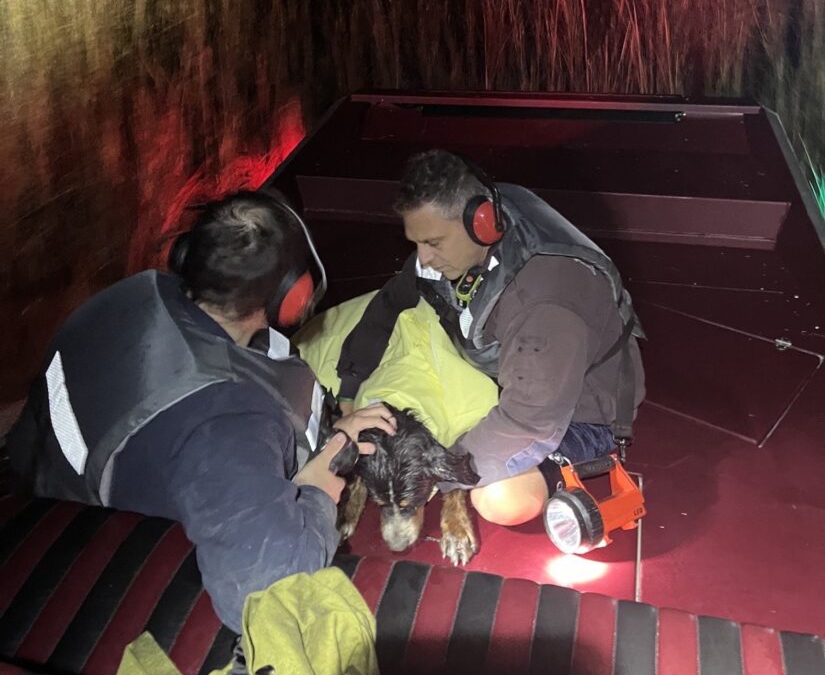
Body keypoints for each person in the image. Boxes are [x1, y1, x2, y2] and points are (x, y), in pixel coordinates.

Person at [7, 190, 395, 633]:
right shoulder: (227, 419)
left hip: (39, 483)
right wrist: (317, 488)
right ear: (293, 298)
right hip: (102, 555)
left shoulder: (133, 294)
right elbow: (271, 587)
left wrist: (324, 428)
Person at [336, 150, 645, 527]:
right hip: (513, 376)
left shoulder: (543, 303)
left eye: (433, 242)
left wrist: (438, 468)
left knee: (500, 499)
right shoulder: (460, 241)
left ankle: (552, 476)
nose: (423, 258)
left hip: (578, 409)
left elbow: (529, 419)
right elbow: (389, 303)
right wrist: (349, 393)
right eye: (415, 242)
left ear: (482, 223)